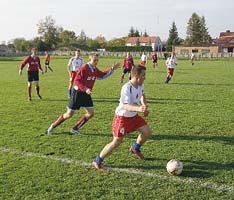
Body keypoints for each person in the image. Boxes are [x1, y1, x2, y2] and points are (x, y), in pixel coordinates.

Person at [92, 64, 152, 171]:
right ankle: (97, 161)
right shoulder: (126, 88)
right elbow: (126, 106)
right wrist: (139, 109)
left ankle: (135, 148)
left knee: (147, 132)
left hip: (133, 116)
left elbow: (143, 95)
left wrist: (144, 105)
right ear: (136, 76)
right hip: (122, 118)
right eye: (143, 75)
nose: (145, 77)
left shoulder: (140, 84)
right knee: (116, 142)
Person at [47, 52, 120, 135]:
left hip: (86, 94)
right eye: (94, 60)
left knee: (91, 113)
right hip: (77, 93)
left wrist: (111, 69)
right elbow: (76, 81)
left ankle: (75, 129)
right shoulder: (84, 68)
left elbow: (102, 75)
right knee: (69, 114)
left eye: (97, 60)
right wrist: (85, 89)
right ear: (90, 58)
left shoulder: (95, 69)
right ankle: (53, 126)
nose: (96, 62)